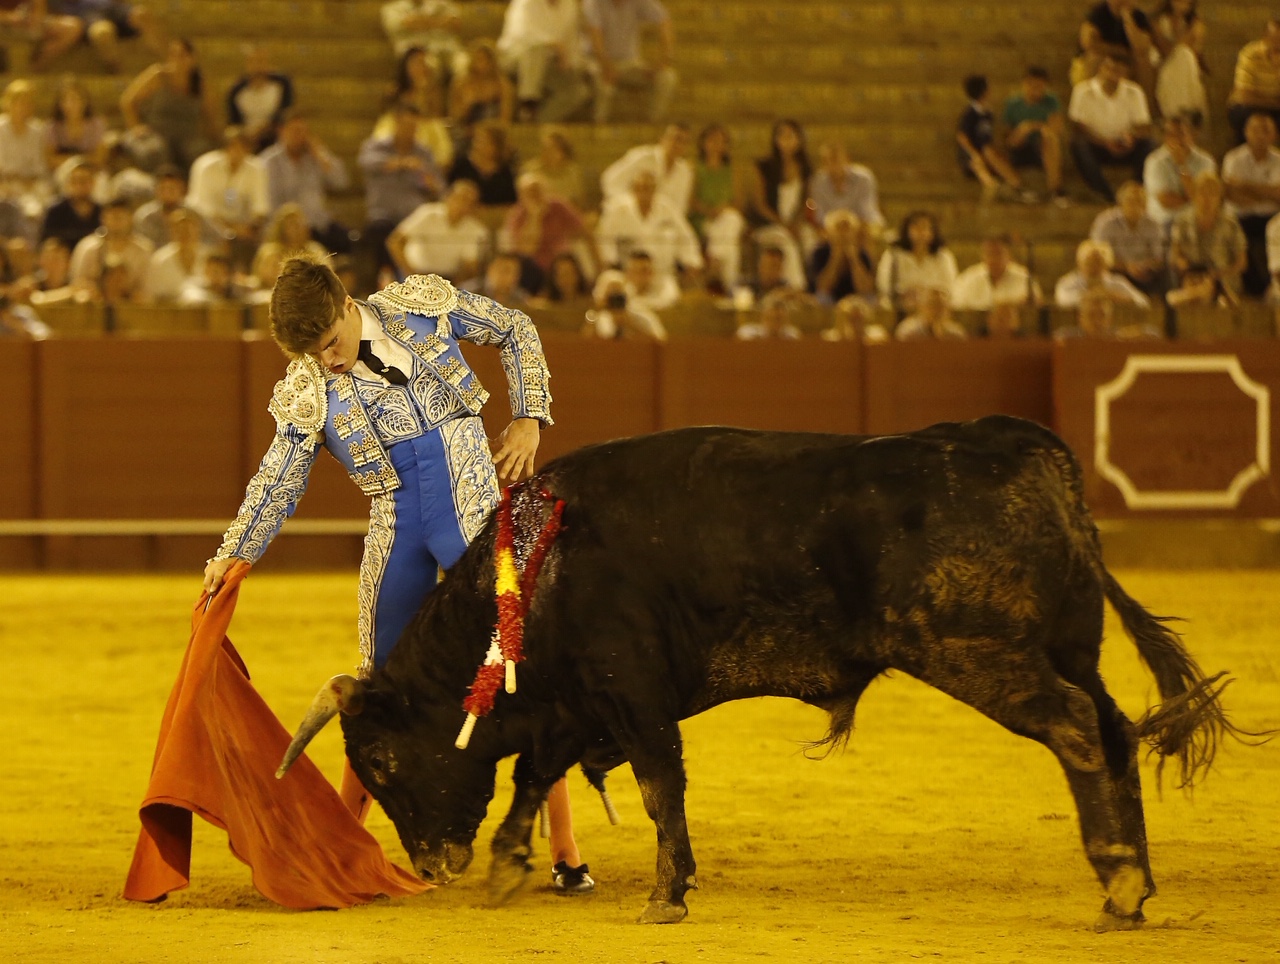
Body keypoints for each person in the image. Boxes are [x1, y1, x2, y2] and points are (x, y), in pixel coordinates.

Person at [201, 255, 591, 892]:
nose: (327, 362)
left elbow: (515, 326)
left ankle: (565, 850)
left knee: (518, 663)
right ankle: (345, 845)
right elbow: (280, 476)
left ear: (347, 305)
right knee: (375, 687)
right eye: (311, 354)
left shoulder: (420, 306)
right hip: (397, 524)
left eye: (331, 343)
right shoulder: (309, 386)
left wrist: (528, 416)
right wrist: (237, 549)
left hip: (469, 507)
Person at [359, 102, 443, 279]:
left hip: (413, 218)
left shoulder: (424, 153)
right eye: (406, 125)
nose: (410, 131)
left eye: (414, 126)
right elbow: (366, 162)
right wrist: (402, 163)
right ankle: (388, 277)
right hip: (383, 214)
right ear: (396, 124)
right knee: (381, 231)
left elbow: (439, 187)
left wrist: (427, 179)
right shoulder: (377, 146)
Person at [261, 111, 352, 254]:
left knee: (348, 239)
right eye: (295, 131)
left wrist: (320, 154)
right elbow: (270, 201)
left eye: (303, 131)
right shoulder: (269, 161)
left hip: (317, 224)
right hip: (286, 227)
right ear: (281, 131)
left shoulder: (316, 156)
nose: (299, 136)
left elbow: (341, 182)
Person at [1067, 53, 1154, 203]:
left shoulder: (1134, 92)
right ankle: (1106, 195)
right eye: (1109, 68)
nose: (1112, 73)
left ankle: (1134, 190)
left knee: (1149, 145)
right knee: (1078, 145)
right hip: (1097, 145)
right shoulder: (1082, 90)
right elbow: (1078, 128)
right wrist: (1105, 143)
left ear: (1126, 73)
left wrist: (1131, 138)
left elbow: (1144, 126)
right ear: (1101, 69)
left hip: (1126, 145)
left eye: (1118, 70)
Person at [119, 37, 217, 171]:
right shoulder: (158, 76)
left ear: (192, 59)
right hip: (155, 133)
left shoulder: (201, 84)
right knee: (155, 153)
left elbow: (210, 114)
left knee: (200, 154)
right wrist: (135, 126)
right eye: (173, 55)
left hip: (186, 136)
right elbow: (128, 100)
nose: (177, 60)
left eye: (182, 55)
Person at [595, 166, 703, 285]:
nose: (644, 192)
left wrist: (692, 262)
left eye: (648, 188)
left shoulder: (667, 209)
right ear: (633, 189)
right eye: (640, 188)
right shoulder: (618, 211)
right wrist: (610, 266)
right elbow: (604, 241)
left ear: (655, 190)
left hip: (664, 276)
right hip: (629, 277)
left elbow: (685, 237)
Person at [497, 0, 592, 123]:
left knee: (578, 91)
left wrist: (572, 64)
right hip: (515, 58)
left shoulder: (570, 5)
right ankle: (528, 103)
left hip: (549, 63)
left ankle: (537, 123)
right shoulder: (525, 3)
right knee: (536, 51)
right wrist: (554, 45)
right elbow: (524, 34)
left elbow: (571, 40)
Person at [583, 0, 677, 124]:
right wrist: (606, 65)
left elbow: (664, 20)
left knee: (667, 77)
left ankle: (652, 123)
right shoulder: (593, 3)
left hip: (629, 62)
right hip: (595, 60)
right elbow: (595, 34)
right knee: (603, 83)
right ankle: (599, 124)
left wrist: (664, 59)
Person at [747, 119, 814, 291]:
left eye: (791, 136)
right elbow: (760, 204)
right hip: (767, 226)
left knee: (810, 240)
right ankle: (796, 287)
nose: (787, 140)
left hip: (793, 224)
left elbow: (806, 202)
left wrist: (797, 223)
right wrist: (783, 224)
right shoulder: (764, 167)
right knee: (786, 241)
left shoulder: (806, 170)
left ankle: (816, 287)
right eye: (782, 136)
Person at [186, 127, 270, 263]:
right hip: (208, 228)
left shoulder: (257, 169)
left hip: (244, 231)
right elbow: (202, 208)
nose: (237, 152)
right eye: (233, 146)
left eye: (242, 147)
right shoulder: (205, 167)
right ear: (224, 147)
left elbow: (260, 207)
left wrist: (246, 229)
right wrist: (227, 230)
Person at [1222, 112, 1280, 298]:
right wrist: (1267, 194)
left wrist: (1246, 186)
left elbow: (1278, 195)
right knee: (1237, 240)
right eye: (1256, 130)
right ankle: (1256, 290)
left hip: (1272, 216)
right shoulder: (1233, 159)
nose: (1260, 135)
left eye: (1266, 131)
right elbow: (1232, 194)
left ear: (1274, 135)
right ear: (1246, 132)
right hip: (1241, 216)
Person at [388, 179, 490, 281]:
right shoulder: (428, 214)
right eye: (461, 198)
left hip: (448, 280)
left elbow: (470, 265)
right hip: (414, 274)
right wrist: (411, 273)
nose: (463, 205)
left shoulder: (476, 230)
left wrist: (453, 288)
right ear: (448, 197)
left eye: (470, 202)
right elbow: (395, 242)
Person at [956, 74, 1035, 203]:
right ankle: (993, 187)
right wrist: (975, 154)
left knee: (992, 152)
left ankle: (1015, 185)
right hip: (971, 154)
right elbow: (962, 137)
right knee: (981, 162)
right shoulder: (970, 113)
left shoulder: (988, 113)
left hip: (986, 153)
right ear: (984, 91)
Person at [500, 171, 585, 292]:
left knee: (567, 266)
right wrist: (535, 217)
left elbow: (584, 230)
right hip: (531, 269)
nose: (535, 195)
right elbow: (527, 250)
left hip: (559, 263)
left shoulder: (559, 206)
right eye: (529, 192)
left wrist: (599, 264)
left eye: (537, 190)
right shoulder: (516, 216)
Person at [1168, 172, 1246, 301]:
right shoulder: (1182, 221)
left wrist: (1219, 274)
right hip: (1192, 277)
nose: (1207, 198)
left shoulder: (1231, 223)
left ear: (1220, 197)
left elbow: (1242, 262)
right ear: (1194, 195)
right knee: (1196, 286)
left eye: (1212, 193)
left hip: (1222, 279)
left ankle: (1188, 297)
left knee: (1208, 289)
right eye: (1202, 192)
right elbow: (1175, 255)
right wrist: (1184, 265)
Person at [373, 47, 455, 171]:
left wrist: (423, 91)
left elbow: (434, 115)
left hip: (425, 125)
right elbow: (391, 112)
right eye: (416, 62)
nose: (420, 67)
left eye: (423, 62)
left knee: (437, 134)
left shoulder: (432, 90)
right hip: (398, 124)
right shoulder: (395, 90)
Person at [688, 123, 746, 292]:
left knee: (731, 219)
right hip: (703, 219)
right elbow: (691, 201)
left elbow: (738, 202)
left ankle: (715, 263)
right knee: (731, 243)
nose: (716, 146)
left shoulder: (732, 170)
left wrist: (723, 209)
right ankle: (731, 286)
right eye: (712, 141)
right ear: (703, 143)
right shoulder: (695, 168)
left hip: (726, 218)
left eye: (721, 141)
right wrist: (709, 211)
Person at [1003, 66, 1068, 206]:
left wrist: (1035, 126)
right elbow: (1008, 138)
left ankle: (1056, 190)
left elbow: (1056, 127)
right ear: (1024, 84)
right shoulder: (1013, 104)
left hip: (1042, 148)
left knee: (1050, 137)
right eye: (1031, 85)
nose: (1035, 90)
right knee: (1021, 130)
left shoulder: (1051, 101)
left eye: (1039, 86)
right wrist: (1023, 129)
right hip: (1020, 148)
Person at [1088, 180, 1166, 295]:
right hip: (1114, 270)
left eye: (1139, 201)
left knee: (1167, 274)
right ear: (1121, 202)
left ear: (1145, 205)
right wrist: (1126, 266)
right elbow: (1098, 255)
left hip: (1145, 272)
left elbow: (1159, 256)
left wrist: (1143, 266)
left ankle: (1165, 310)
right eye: (1130, 200)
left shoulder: (1153, 225)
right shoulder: (1105, 223)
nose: (1135, 205)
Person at [69, 196, 152, 301]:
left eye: (120, 217)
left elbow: (146, 290)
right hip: (94, 307)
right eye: (112, 216)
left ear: (130, 218)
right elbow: (77, 283)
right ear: (103, 218)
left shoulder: (144, 250)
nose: (116, 222)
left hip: (130, 307)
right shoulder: (88, 248)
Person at [875, 210, 957, 315]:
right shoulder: (893, 255)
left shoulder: (944, 256)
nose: (921, 232)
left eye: (925, 228)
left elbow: (949, 286)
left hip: (934, 307)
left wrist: (927, 294)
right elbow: (884, 284)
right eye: (916, 227)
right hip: (900, 307)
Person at [1142, 114, 1215, 229]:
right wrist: (1193, 199)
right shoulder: (1155, 162)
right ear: (1166, 138)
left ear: (1192, 135)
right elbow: (1166, 201)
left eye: (1181, 134)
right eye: (1172, 135)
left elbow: (1206, 197)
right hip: (1167, 219)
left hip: (1199, 219)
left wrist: (1183, 167)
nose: (1178, 139)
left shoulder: (1206, 161)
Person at [47, 0, 161, 72]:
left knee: (142, 14)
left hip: (112, 8)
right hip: (88, 14)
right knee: (102, 32)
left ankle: (168, 60)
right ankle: (119, 73)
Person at [1076, 0, 1156, 100]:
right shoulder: (1098, 14)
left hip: (1128, 60)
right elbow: (1088, 43)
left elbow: (1142, 47)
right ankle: (1092, 103)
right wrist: (1120, 51)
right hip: (1104, 58)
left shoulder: (1139, 16)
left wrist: (1128, 19)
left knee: (1144, 63)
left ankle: (1145, 107)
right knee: (1094, 59)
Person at [225, 44, 295, 153]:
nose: (258, 66)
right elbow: (233, 122)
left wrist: (265, 129)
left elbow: (286, 113)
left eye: (262, 61)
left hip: (274, 137)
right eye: (254, 61)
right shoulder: (237, 91)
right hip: (247, 140)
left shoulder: (282, 85)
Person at [133, 163, 219, 250]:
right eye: (163, 189)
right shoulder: (145, 216)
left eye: (171, 189)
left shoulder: (195, 214)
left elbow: (215, 237)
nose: (167, 194)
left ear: (182, 189)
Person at [950, 233, 1041, 311]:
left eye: (998, 253)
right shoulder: (968, 278)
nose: (994, 259)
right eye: (989, 254)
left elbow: (1036, 304)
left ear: (1009, 255)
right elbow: (956, 305)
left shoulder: (1024, 278)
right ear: (983, 256)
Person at [808, 139, 885, 231]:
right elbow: (820, 216)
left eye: (835, 159)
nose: (832, 165)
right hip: (831, 229)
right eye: (826, 161)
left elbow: (867, 211)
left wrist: (850, 223)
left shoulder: (864, 179)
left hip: (862, 226)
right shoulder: (817, 182)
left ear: (847, 159)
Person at [1151, 0, 1208, 124]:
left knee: (1184, 55)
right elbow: (1166, 49)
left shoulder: (1195, 23)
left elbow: (1192, 48)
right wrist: (1176, 22)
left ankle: (1183, 109)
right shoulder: (1158, 20)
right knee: (1182, 54)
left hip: (1185, 64)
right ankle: (1179, 109)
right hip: (1163, 60)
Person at [1227, 17, 1280, 144]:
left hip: (1274, 105)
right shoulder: (1250, 54)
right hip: (1250, 107)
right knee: (1245, 118)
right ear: (1265, 37)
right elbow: (1244, 95)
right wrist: (1275, 102)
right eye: (1274, 38)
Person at [1053, 239, 1150, 308]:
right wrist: (1092, 297)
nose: (1094, 267)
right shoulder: (1068, 282)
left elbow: (1143, 303)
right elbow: (1063, 301)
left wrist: (1118, 297)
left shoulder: (1117, 282)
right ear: (1080, 263)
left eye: (1098, 262)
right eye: (1089, 262)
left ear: (1107, 264)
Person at [448, 39, 515, 140]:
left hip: (493, 134)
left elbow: (505, 120)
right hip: (466, 132)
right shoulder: (461, 83)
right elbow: (454, 117)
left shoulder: (503, 86)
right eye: (477, 59)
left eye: (485, 59)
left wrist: (485, 132)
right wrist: (467, 104)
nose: (481, 64)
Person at [251, 202, 327, 290]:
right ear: (281, 228)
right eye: (292, 224)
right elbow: (259, 279)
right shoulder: (270, 252)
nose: (297, 229)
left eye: (300, 224)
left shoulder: (315, 251)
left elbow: (326, 278)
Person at [0, 79, 51, 206]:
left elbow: (40, 165)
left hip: (31, 182)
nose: (23, 107)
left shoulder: (37, 131)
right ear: (8, 103)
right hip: (5, 182)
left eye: (27, 103)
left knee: (44, 195)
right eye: (19, 103)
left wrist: (29, 182)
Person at [809, 209, 875, 306]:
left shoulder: (862, 254)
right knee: (822, 298)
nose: (843, 233)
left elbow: (866, 289)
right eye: (839, 228)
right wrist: (836, 258)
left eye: (848, 228)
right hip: (829, 298)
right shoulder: (820, 252)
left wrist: (854, 259)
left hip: (854, 298)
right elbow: (823, 287)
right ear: (830, 232)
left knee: (870, 300)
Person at [379, 0, 463, 76]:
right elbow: (407, 24)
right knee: (431, 64)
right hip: (414, 53)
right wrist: (439, 22)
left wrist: (423, 22)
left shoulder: (440, 4)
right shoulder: (392, 9)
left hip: (447, 48)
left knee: (462, 62)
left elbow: (455, 22)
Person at [143, 208, 209, 302]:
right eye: (180, 230)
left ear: (198, 230)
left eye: (189, 230)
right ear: (172, 232)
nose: (185, 234)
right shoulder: (160, 260)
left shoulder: (210, 257)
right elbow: (154, 295)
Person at [582, 266, 666, 340]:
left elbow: (661, 342)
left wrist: (631, 325)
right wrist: (595, 315)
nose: (615, 298)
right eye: (610, 294)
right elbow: (585, 346)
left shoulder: (642, 317)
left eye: (619, 292)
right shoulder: (596, 319)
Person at [446, 120, 517, 206]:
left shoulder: (505, 171)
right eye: (478, 140)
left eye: (485, 141)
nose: (478, 144)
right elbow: (449, 192)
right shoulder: (462, 166)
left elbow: (511, 201)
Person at [45, 76, 107, 171]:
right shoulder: (53, 127)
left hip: (91, 172)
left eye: (75, 99)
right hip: (63, 173)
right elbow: (51, 160)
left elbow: (99, 159)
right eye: (66, 100)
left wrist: (74, 162)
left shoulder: (96, 125)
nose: (70, 104)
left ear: (85, 101)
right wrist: (78, 161)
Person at [39, 158, 100, 250]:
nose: (79, 185)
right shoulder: (56, 211)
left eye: (84, 181)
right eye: (75, 181)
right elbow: (47, 242)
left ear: (93, 182)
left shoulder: (102, 211)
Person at [519, 126, 585, 208]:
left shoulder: (572, 172)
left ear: (563, 152)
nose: (548, 153)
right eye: (545, 148)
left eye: (553, 148)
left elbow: (578, 202)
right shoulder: (531, 170)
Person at [1057, 288, 1162, 339]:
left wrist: (1125, 335)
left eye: (1102, 315)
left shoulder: (1117, 336)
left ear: (1110, 318)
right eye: (1092, 315)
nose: (1097, 321)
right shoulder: (1068, 336)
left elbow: (1153, 333)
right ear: (1080, 317)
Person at [893, 285, 968, 341]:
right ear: (921, 307)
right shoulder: (908, 332)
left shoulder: (956, 335)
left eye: (941, 306)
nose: (937, 310)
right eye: (932, 305)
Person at [735, 289, 802, 341]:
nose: (776, 323)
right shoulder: (748, 334)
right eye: (773, 318)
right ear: (763, 316)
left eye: (779, 319)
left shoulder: (792, 336)